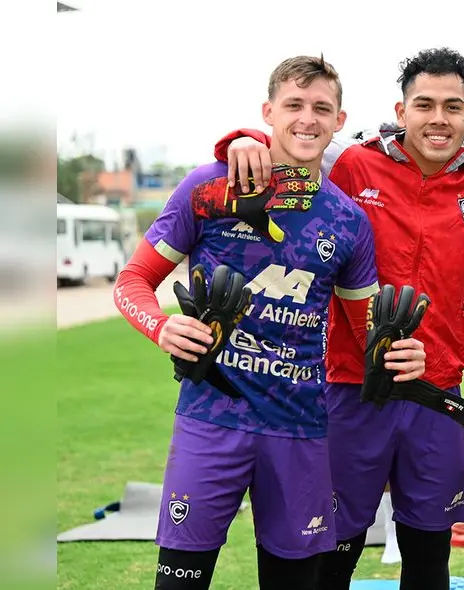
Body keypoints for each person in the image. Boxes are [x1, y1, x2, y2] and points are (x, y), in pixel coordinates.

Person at [212, 48, 464, 589]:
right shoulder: (351, 164)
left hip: (434, 390)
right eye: (423, 104)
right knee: (336, 550)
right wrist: (242, 138)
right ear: (400, 112)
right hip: (351, 388)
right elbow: (294, 141)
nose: (438, 118)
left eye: (453, 106)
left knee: (430, 556)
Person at [112, 55, 425, 590]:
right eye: (294, 105)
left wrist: (399, 353)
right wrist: (161, 327)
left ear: (339, 120)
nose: (308, 119)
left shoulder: (347, 219)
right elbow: (131, 282)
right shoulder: (209, 186)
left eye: (321, 108)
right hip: (211, 419)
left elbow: (367, 328)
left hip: (299, 429)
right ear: (268, 112)